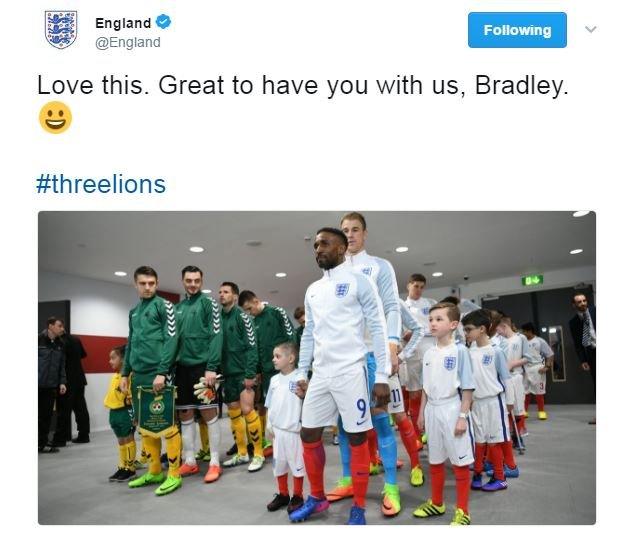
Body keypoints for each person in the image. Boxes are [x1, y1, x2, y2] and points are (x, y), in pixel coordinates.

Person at [290, 227, 391, 525]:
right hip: (321, 374)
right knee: (308, 433)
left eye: (325, 243)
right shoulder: (313, 289)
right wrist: (301, 370)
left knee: (357, 436)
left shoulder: (360, 282)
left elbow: (378, 327)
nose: (318, 249)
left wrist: (383, 374)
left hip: (351, 372)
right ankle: (318, 498)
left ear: (343, 247)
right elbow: (309, 333)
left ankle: (358, 506)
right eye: (316, 244)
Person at [328, 212, 403, 517]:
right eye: (345, 231)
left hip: (373, 354)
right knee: (346, 422)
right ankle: (348, 478)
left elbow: (392, 307)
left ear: (365, 233)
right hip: (345, 358)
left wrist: (393, 344)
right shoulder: (334, 272)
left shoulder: (380, 266)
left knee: (381, 417)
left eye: (355, 230)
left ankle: (392, 486)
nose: (350, 235)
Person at [119, 266, 182, 496]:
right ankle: (154, 470)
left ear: (156, 283)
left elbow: (172, 339)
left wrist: (162, 372)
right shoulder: (134, 312)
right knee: (145, 426)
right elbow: (131, 342)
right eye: (143, 283)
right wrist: (125, 373)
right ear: (135, 284)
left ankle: (174, 473)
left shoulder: (164, 305)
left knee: (166, 424)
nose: (148, 287)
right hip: (139, 376)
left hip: (159, 374)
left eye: (152, 283)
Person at [412, 302, 474, 526]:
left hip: (452, 408)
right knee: (435, 459)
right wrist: (421, 414)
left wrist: (462, 417)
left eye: (439, 319)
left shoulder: (460, 351)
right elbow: (426, 388)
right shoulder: (428, 353)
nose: (433, 323)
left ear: (453, 324)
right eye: (431, 319)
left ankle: (463, 511)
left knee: (460, 461)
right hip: (431, 410)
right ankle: (437, 503)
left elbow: (467, 388)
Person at [174, 266, 224, 483]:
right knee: (185, 415)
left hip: (204, 368)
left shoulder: (209, 304)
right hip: (181, 369)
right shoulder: (177, 308)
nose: (192, 284)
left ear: (202, 281)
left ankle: (214, 462)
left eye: (196, 280)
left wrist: (211, 366)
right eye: (188, 280)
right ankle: (190, 462)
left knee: (208, 415)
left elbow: (216, 335)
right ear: (183, 281)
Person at [239, 290, 295, 457]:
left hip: (285, 371)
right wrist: (257, 371)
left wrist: (292, 366)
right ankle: (273, 442)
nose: (249, 313)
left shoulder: (278, 312)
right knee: (271, 408)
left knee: (288, 407)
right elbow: (256, 348)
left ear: (256, 301)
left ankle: (292, 443)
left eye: (250, 308)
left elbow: (291, 337)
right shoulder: (254, 322)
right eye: (246, 311)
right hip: (266, 373)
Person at [462, 309, 511, 492]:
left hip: (494, 401)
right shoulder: (468, 352)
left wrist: (509, 402)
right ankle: (477, 474)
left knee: (494, 441)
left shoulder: (496, 351)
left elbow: (506, 378)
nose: (466, 333)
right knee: (479, 441)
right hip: (476, 403)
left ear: (481, 329)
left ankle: (500, 476)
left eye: (468, 329)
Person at [218, 282, 265, 472]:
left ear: (235, 296)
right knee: (234, 414)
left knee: (248, 410)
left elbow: (252, 347)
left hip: (243, 373)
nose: (222, 295)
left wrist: (249, 374)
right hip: (226, 375)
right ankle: (242, 452)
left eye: (226, 292)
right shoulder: (217, 319)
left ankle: (259, 454)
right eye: (220, 292)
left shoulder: (244, 318)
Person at [264, 342, 305, 514]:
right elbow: (269, 404)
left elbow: (306, 402)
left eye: (278, 356)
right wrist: (268, 424)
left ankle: (298, 495)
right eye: (274, 356)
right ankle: (283, 494)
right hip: (277, 431)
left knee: (296, 464)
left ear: (291, 358)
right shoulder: (273, 380)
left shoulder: (300, 379)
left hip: (293, 431)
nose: (274, 359)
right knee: (278, 464)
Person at [403, 274, 437, 443]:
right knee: (415, 393)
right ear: (408, 285)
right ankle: (417, 436)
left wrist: (421, 330)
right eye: (416, 286)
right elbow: (398, 331)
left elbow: (436, 326)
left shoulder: (430, 304)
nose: (419, 290)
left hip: (431, 351)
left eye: (422, 287)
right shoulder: (401, 306)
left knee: (432, 392)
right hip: (412, 354)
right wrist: (405, 334)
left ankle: (432, 433)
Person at [53, 324, 90, 446]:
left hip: (67, 380)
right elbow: (83, 355)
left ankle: (60, 439)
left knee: (63, 410)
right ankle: (84, 435)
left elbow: (59, 362)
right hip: (79, 379)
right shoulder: (76, 339)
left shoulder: (59, 342)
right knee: (81, 409)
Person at [105, 345, 137, 482]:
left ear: (123, 359)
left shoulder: (129, 376)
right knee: (120, 441)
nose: (110, 361)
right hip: (114, 412)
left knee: (128, 439)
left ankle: (130, 469)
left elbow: (132, 395)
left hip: (125, 411)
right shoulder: (114, 376)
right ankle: (122, 466)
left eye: (113, 358)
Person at [496, 315, 531, 438]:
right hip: (503, 379)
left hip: (515, 376)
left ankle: (519, 433)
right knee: (507, 407)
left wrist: (512, 364)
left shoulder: (520, 338)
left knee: (518, 407)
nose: (497, 333)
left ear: (504, 326)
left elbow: (528, 358)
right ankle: (509, 433)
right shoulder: (500, 341)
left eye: (498, 330)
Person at [38, 317, 67, 453]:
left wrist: (62, 382)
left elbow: (62, 366)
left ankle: (41, 444)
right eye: (59, 326)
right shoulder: (38, 339)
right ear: (50, 326)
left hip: (50, 386)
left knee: (46, 416)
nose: (62, 328)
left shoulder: (60, 344)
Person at [568, 293, 596, 424]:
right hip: (592, 353)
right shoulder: (573, 322)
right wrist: (583, 360)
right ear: (574, 305)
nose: (583, 303)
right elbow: (577, 343)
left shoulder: (596, 311)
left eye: (584, 300)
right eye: (579, 302)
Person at [521, 322, 554, 420]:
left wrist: (547, 367)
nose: (523, 333)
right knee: (525, 392)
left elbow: (550, 354)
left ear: (529, 331)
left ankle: (541, 411)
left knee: (539, 392)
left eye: (524, 331)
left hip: (537, 368)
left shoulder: (540, 341)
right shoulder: (522, 341)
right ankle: (524, 411)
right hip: (525, 369)